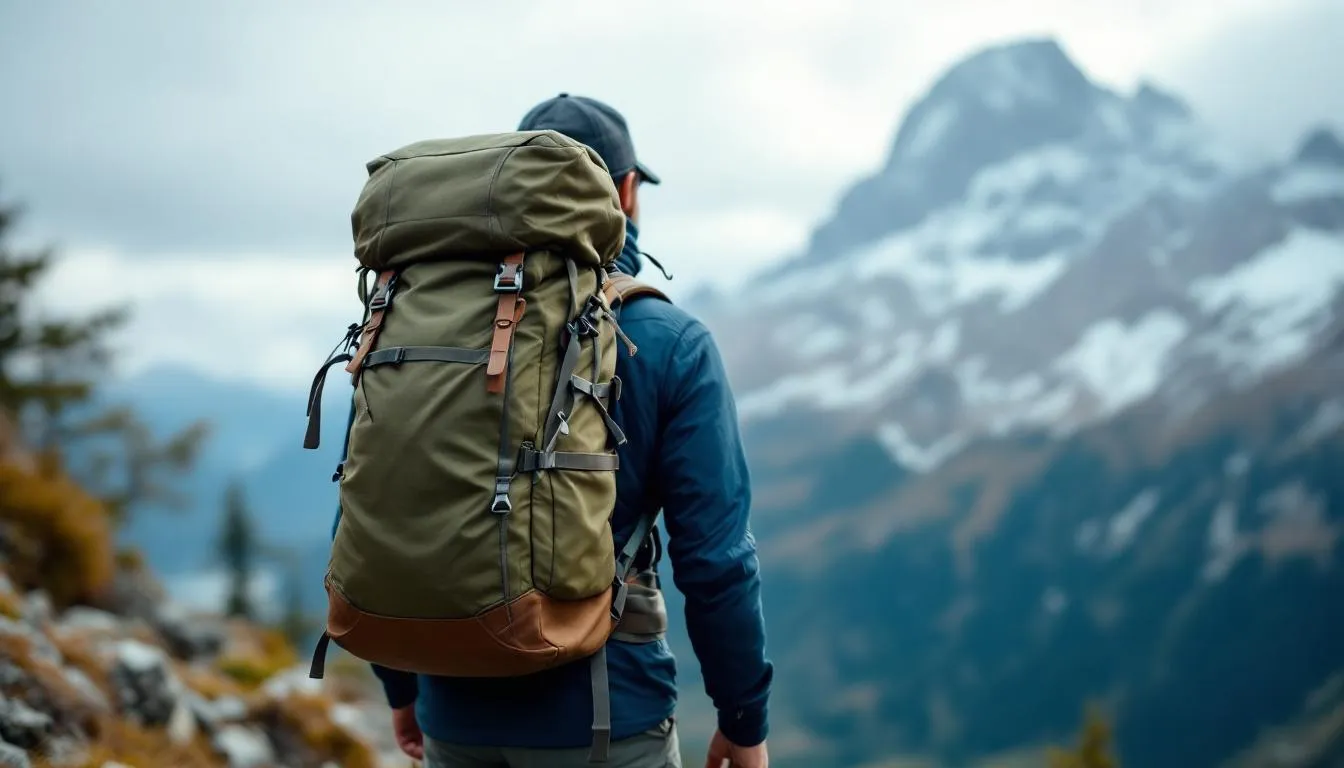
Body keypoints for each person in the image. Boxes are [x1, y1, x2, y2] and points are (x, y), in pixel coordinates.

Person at [349, 93, 773, 768]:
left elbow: (381, 501)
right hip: (606, 720)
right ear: (626, 193)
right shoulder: (669, 340)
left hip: (452, 715)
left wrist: (403, 688)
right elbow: (716, 560)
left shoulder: (420, 319)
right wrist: (744, 719)